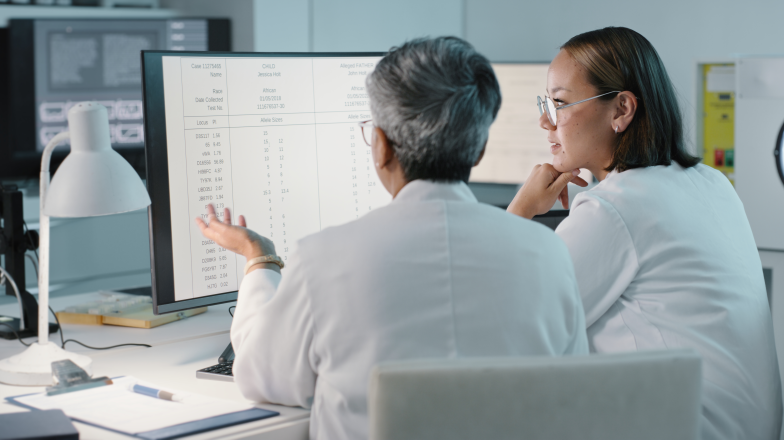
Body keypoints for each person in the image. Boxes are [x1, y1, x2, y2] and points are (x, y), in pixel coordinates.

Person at [196, 37, 588, 440]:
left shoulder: (324, 259)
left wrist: (260, 260)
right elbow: (571, 388)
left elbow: (262, 377)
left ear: (380, 146)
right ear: (479, 149)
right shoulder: (548, 253)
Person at [507, 26, 782, 440]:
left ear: (621, 110)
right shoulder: (711, 181)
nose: (546, 121)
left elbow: (509, 322)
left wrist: (521, 210)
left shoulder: (613, 208)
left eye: (560, 103)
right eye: (546, 102)